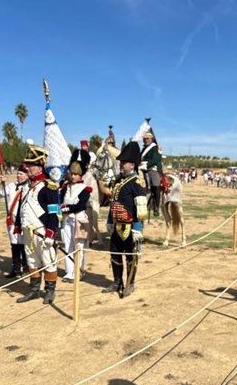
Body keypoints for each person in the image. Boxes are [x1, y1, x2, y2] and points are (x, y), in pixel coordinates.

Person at [15, 144, 60, 304]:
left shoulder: (49, 186)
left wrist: (51, 232)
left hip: (42, 231)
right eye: (28, 165)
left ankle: (49, 291)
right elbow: (23, 207)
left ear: (40, 167)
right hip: (28, 231)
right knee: (32, 261)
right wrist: (18, 224)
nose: (28, 168)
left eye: (31, 165)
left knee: (48, 261)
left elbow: (54, 213)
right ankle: (34, 290)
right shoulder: (27, 185)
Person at [102, 141, 148, 298]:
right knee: (114, 254)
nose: (121, 164)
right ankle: (117, 282)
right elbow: (113, 203)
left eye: (124, 162)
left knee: (130, 257)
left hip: (130, 227)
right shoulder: (117, 180)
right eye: (121, 162)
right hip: (116, 225)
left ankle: (130, 283)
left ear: (132, 165)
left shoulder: (137, 183)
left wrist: (137, 227)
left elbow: (141, 209)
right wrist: (109, 221)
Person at [60, 149, 92, 282]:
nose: (73, 176)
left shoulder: (85, 189)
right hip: (67, 220)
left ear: (81, 175)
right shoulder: (66, 187)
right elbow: (61, 199)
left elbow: (80, 205)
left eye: (76, 174)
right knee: (67, 245)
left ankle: (79, 270)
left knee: (78, 246)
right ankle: (69, 272)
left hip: (78, 219)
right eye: (72, 174)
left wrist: (66, 208)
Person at [0, 164, 29, 278]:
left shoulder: (29, 187)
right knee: (14, 245)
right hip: (12, 221)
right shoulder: (11, 185)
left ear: (27, 175)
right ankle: (16, 269)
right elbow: (0, 194)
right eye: (18, 173)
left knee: (24, 245)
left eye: (21, 174)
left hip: (24, 221)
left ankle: (26, 268)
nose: (18, 176)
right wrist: (2, 183)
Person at [139, 120, 164, 216]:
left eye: (148, 138)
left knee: (155, 182)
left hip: (151, 168)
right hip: (141, 168)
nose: (146, 140)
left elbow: (156, 159)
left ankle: (156, 206)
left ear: (151, 139)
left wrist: (146, 165)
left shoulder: (154, 148)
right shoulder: (143, 149)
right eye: (145, 139)